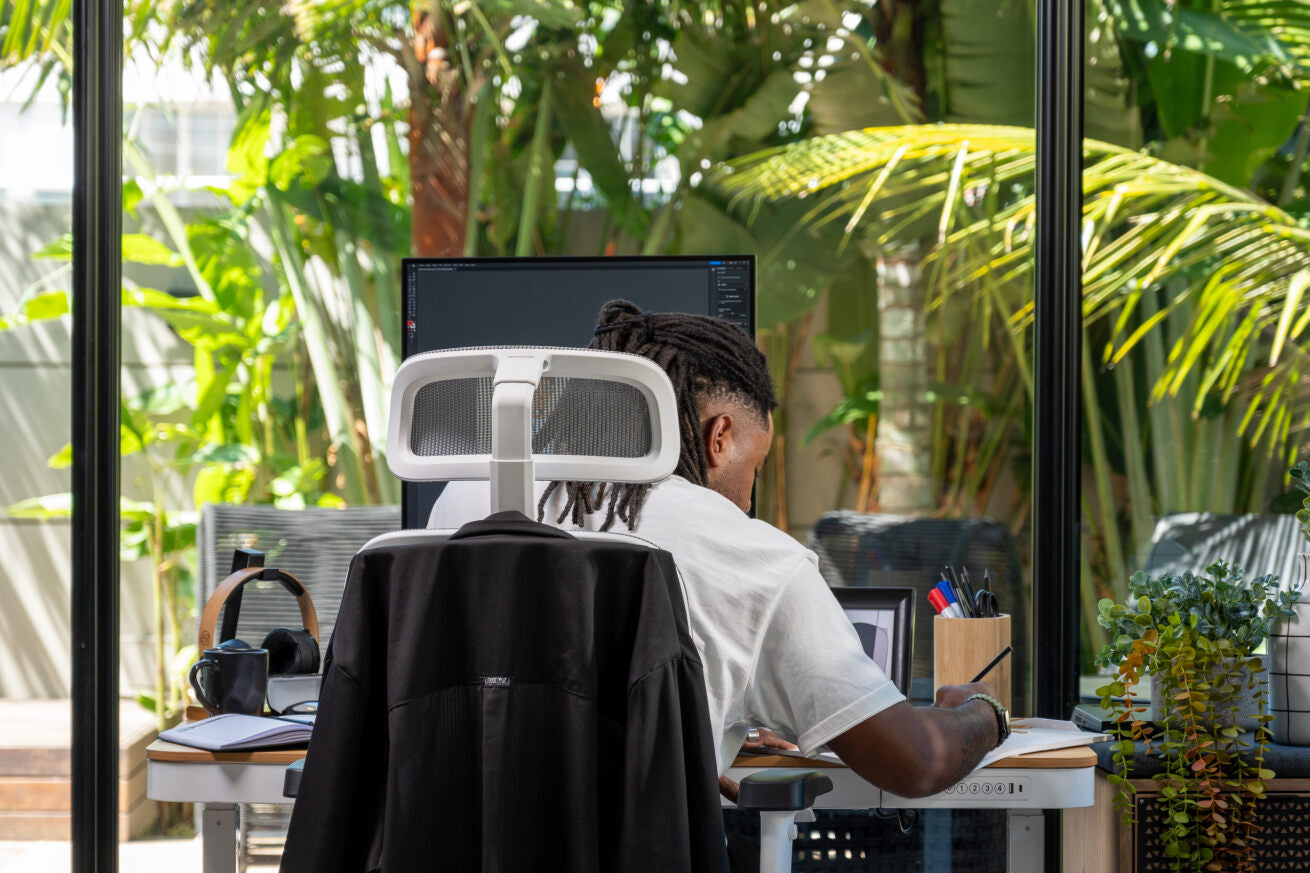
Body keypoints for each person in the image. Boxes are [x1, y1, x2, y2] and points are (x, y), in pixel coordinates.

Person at [430, 300, 1006, 803]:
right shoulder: (750, 555)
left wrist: (703, 729)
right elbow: (914, 760)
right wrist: (983, 711)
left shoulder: (460, 503)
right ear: (720, 435)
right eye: (754, 467)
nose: (750, 498)